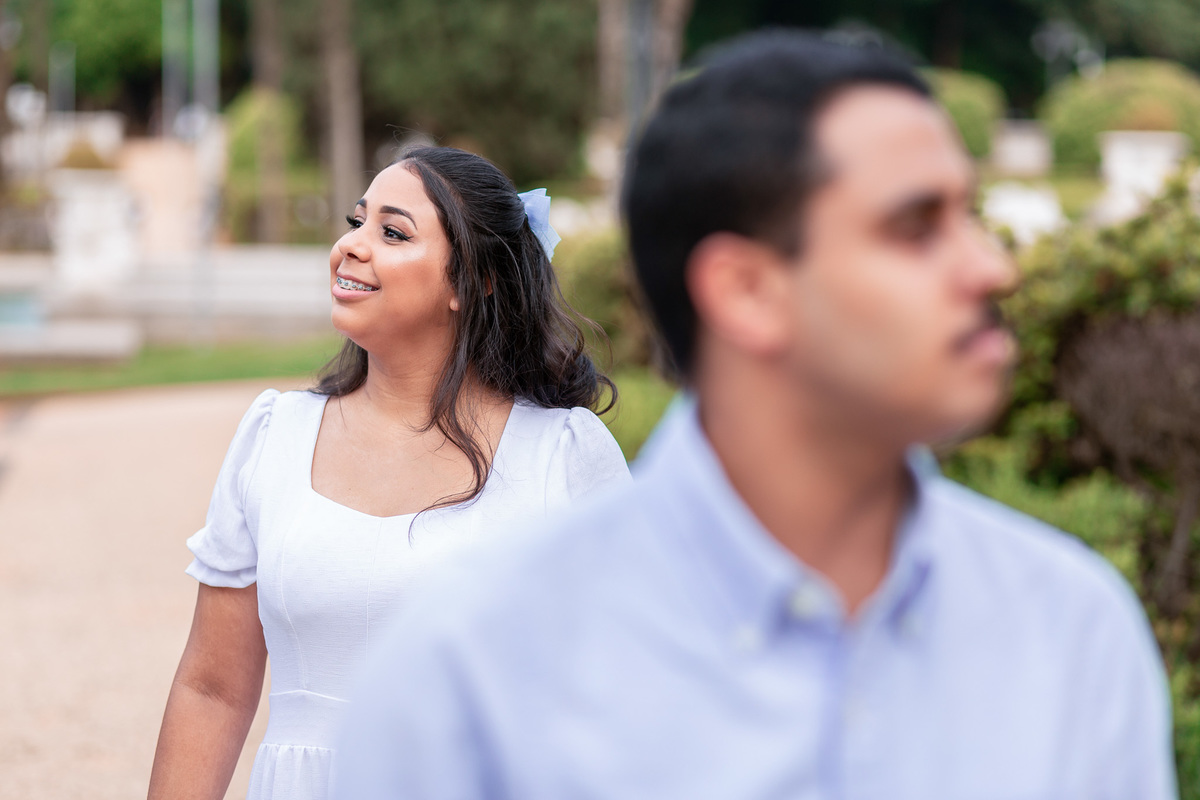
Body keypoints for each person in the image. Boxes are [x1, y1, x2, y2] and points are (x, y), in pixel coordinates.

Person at [334, 31, 1177, 799]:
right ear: (745, 291)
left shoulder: (1073, 631)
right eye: (916, 227)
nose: (993, 269)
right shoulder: (470, 670)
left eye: (973, 217)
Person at [146, 146, 631, 800]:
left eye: (392, 232)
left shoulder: (563, 456)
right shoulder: (274, 435)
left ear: (473, 282)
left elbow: (626, 694)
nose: (351, 246)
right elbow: (212, 688)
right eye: (356, 221)